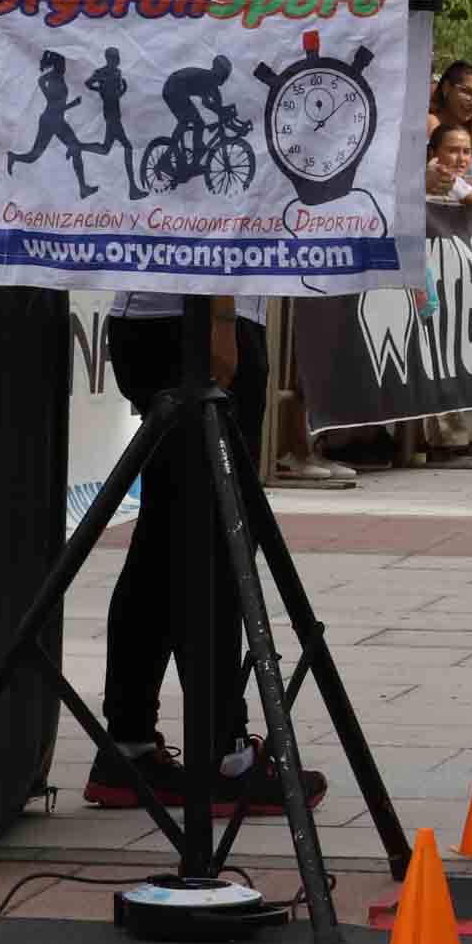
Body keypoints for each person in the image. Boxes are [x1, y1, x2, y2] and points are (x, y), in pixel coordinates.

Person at [80, 289, 326, 818]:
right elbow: (211, 213)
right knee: (213, 548)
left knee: (163, 543)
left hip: (161, 321)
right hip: (200, 321)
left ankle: (130, 744)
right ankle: (221, 753)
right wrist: (219, 320)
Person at [6, 52, 98, 194]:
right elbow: (54, 104)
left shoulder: (57, 77)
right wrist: (72, 104)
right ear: (58, 65)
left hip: (55, 120)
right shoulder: (55, 79)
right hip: (51, 121)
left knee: (73, 149)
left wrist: (47, 89)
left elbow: (45, 86)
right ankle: (14, 156)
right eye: (62, 64)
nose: (64, 67)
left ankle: (83, 188)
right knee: (33, 156)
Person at [81, 47, 148, 199]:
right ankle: (133, 189)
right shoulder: (101, 72)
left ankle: (78, 146)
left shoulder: (118, 72)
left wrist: (123, 89)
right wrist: (100, 89)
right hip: (110, 114)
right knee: (127, 147)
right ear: (108, 58)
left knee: (106, 148)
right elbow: (88, 83)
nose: (117, 59)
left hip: (115, 113)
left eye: (117, 57)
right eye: (114, 57)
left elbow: (118, 92)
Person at [161, 55, 239, 183]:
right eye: (223, 76)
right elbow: (215, 107)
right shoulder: (209, 79)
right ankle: (168, 158)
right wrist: (228, 117)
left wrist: (230, 119)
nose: (224, 79)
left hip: (175, 88)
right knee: (192, 123)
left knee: (194, 123)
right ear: (218, 73)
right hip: (174, 88)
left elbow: (213, 107)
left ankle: (183, 161)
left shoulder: (211, 81)